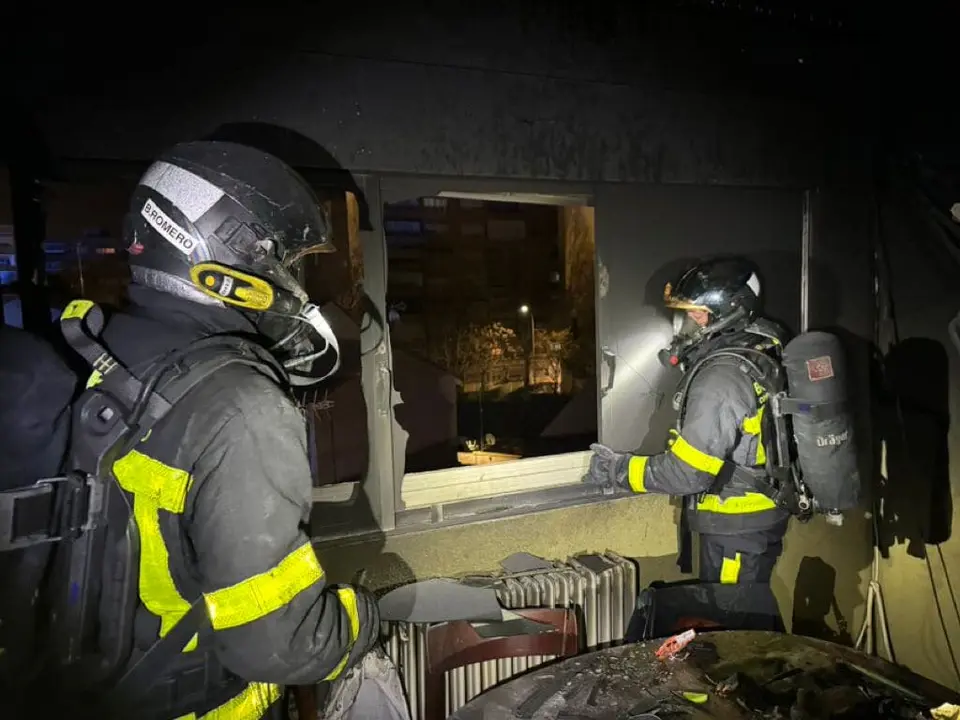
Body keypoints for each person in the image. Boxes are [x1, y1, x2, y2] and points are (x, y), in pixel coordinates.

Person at [21, 141, 380, 719]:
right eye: (287, 262)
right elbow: (280, 645)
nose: (294, 283)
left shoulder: (96, 348)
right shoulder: (242, 406)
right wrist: (365, 618)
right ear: (233, 256)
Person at [585, 257, 793, 586]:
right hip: (755, 517)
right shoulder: (760, 347)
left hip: (736, 527)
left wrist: (617, 470)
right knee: (749, 607)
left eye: (697, 314)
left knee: (731, 614)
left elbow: (687, 473)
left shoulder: (720, 379)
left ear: (729, 313)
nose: (685, 324)